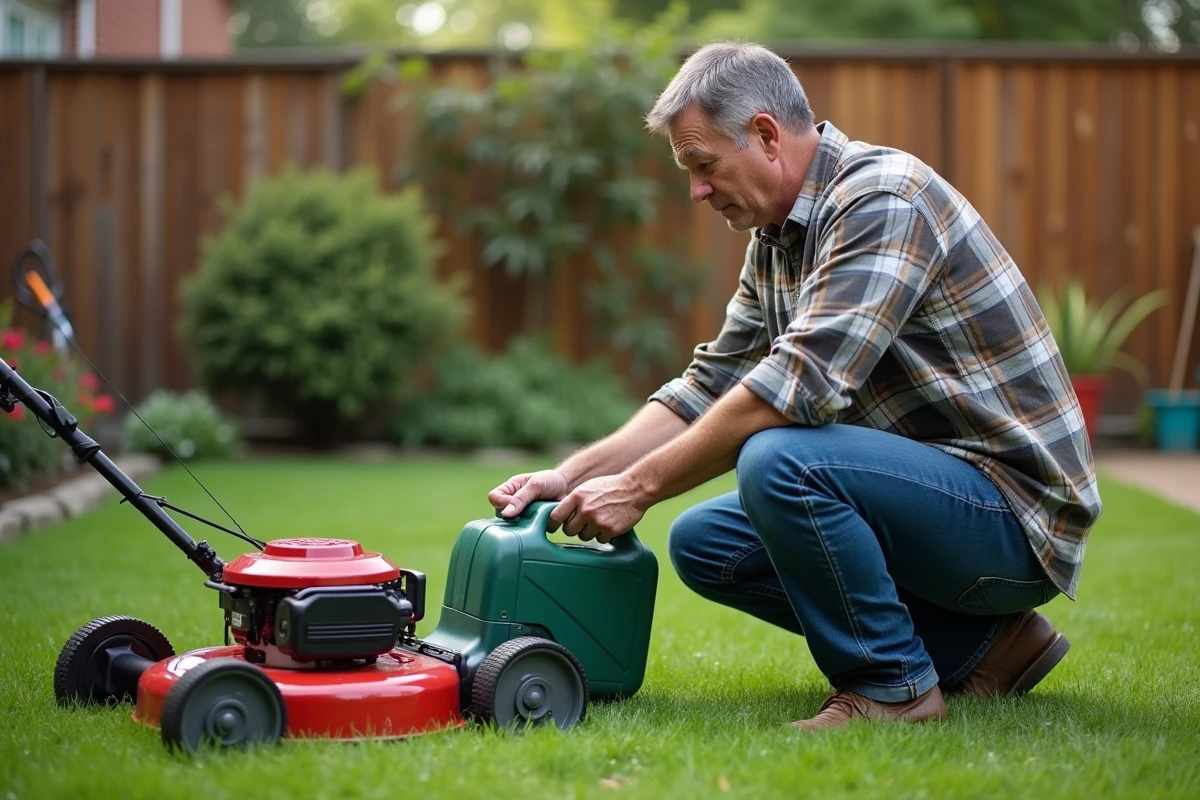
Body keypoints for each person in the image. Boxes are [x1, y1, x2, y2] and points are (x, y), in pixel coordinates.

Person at [487, 41, 1101, 730]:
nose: (696, 191)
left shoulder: (883, 199)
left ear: (766, 135)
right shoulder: (777, 241)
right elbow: (710, 383)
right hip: (936, 503)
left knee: (781, 460)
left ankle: (893, 689)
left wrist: (637, 488)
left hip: (1014, 519)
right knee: (707, 543)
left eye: (703, 165)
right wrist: (570, 477)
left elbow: (801, 386)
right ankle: (991, 649)